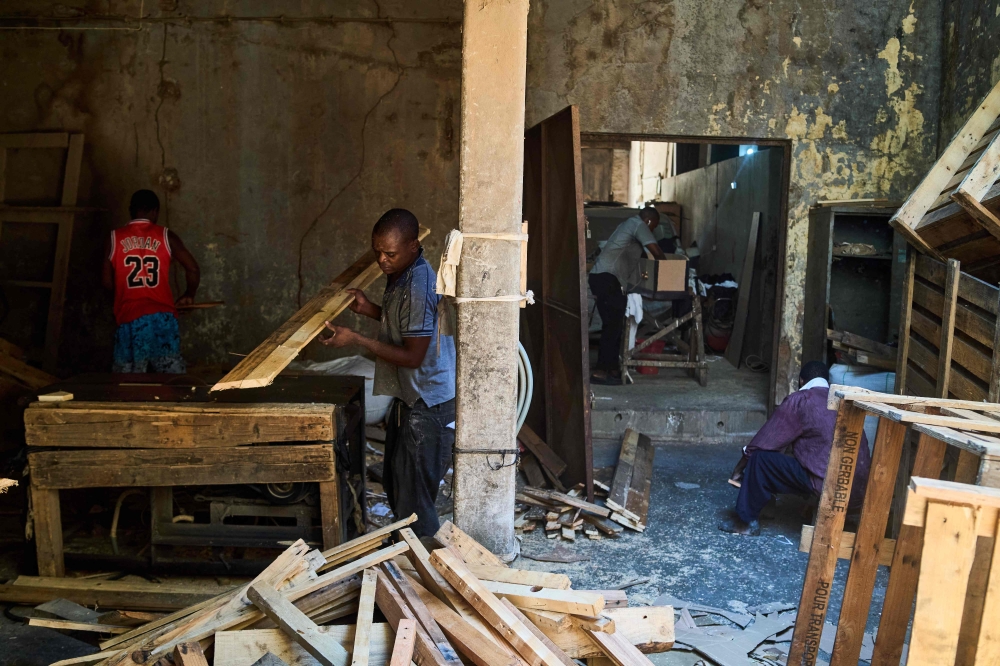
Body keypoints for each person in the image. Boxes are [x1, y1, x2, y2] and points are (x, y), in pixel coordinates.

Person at [321, 208, 455, 537]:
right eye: (377, 251)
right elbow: (405, 328)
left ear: (413, 246)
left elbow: (412, 355)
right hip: (410, 397)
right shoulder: (401, 274)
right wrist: (368, 309)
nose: (381, 260)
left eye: (390, 253)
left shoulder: (419, 285)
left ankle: (426, 570)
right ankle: (409, 557)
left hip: (429, 404)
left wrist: (355, 339)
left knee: (415, 504)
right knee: (398, 488)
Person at [719, 361, 871, 536]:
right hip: (857, 490)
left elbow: (763, 442)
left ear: (801, 380)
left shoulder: (802, 399)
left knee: (760, 459)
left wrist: (738, 470)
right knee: (791, 456)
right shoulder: (842, 400)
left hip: (827, 485)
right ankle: (765, 505)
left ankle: (744, 523)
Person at [103, 189, 200, 373]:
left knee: (128, 378)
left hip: (129, 317)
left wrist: (123, 298)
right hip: (162, 318)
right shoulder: (167, 236)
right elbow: (193, 268)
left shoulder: (114, 238)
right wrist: (189, 294)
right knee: (170, 377)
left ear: (131, 210)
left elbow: (107, 282)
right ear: (155, 211)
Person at [589, 206, 666, 384]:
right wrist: (671, 270)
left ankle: (613, 369)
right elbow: (657, 253)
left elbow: (643, 258)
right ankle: (601, 371)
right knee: (612, 326)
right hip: (606, 278)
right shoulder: (638, 225)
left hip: (606, 279)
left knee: (616, 325)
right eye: (653, 226)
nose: (652, 230)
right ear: (648, 221)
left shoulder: (629, 225)